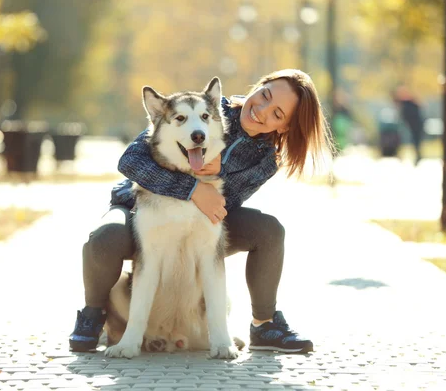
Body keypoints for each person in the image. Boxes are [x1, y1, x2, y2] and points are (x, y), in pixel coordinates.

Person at [69, 69, 334, 354]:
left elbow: (225, 202)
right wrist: (191, 188)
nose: (262, 110)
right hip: (141, 205)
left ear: (284, 127)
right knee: (104, 237)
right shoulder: (203, 107)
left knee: (269, 230)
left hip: (206, 215)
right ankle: (93, 314)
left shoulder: (266, 159)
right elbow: (130, 160)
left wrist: (221, 172)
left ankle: (264, 325)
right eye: (265, 95)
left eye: (277, 114)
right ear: (258, 87)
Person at [393, 85, 425, 165]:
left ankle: (418, 156)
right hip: (407, 124)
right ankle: (400, 155)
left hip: (415, 124)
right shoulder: (403, 103)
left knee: (415, 141)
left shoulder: (411, 103)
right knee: (402, 140)